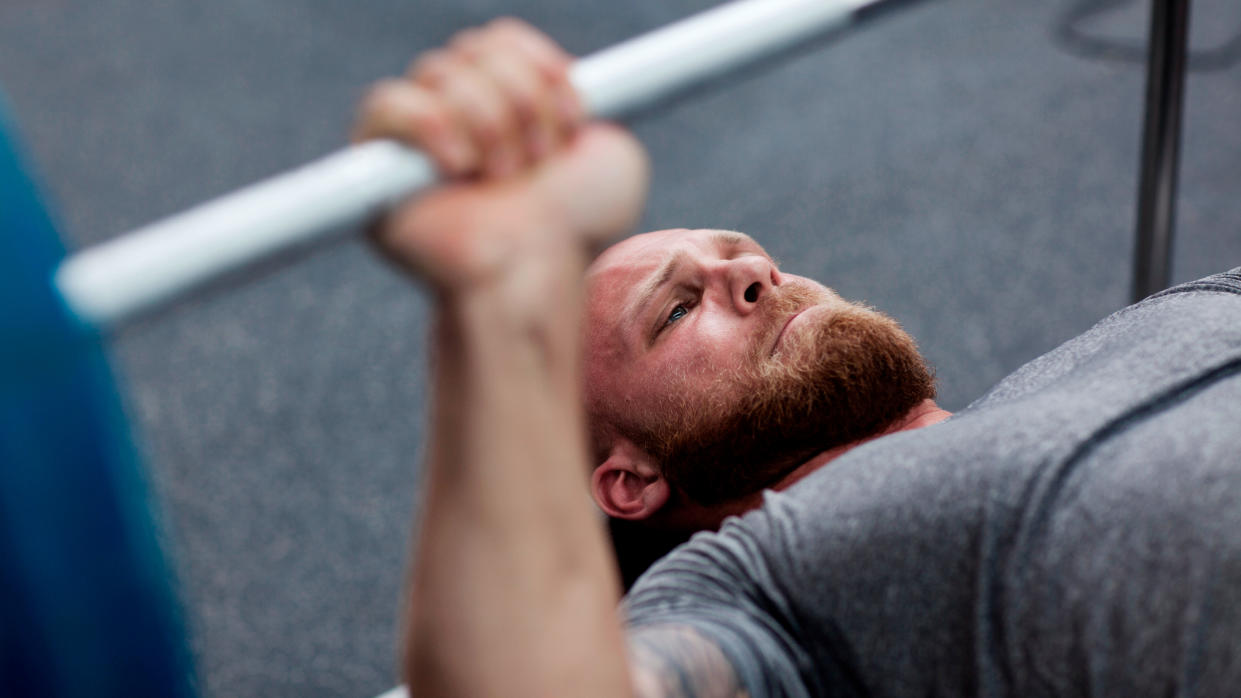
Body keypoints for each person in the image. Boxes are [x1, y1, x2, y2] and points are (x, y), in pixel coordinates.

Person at [356, 19, 1241, 697]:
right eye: (672, 310)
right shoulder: (765, 588)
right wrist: (497, 304)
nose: (749, 272)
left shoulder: (1091, 356)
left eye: (741, 250)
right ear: (626, 479)